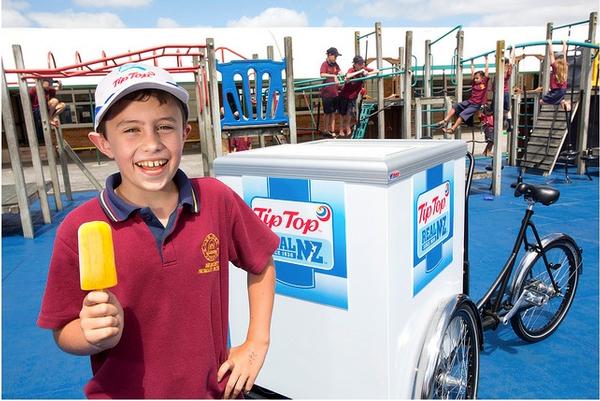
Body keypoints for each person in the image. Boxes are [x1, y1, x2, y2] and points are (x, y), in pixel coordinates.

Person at [36, 63, 279, 399]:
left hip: (212, 392)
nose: (151, 144)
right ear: (103, 142)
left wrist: (256, 341)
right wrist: (90, 334)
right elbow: (63, 330)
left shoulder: (216, 200)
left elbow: (261, 263)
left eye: (165, 126)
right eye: (130, 130)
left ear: (185, 133)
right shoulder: (80, 227)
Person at [436, 56, 490, 136]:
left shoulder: (484, 82)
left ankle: (452, 129)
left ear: (482, 78)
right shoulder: (474, 83)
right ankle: (445, 120)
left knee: (462, 115)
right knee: (455, 106)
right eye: (474, 78)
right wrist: (472, 62)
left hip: (475, 105)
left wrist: (486, 59)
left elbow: (486, 70)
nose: (475, 80)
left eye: (477, 78)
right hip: (469, 101)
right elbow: (472, 72)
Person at [338, 55, 379, 137]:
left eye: (362, 64)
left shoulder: (363, 68)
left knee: (349, 112)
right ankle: (341, 129)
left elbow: (377, 70)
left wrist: (367, 73)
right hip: (344, 95)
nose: (361, 66)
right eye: (359, 64)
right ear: (355, 64)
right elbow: (348, 76)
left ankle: (347, 127)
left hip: (353, 96)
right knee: (342, 113)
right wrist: (360, 72)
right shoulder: (352, 70)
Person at [532, 40, 570, 111]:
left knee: (541, 102)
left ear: (557, 59)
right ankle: (562, 102)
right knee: (554, 100)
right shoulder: (565, 66)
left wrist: (550, 44)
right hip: (562, 90)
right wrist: (565, 44)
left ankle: (560, 102)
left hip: (556, 91)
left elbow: (551, 54)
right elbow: (564, 53)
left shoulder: (555, 65)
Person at [319, 47, 342, 137]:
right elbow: (322, 74)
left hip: (334, 92)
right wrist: (333, 76)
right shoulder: (324, 64)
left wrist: (341, 75)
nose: (336, 58)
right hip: (326, 93)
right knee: (327, 112)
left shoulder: (335, 64)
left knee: (333, 112)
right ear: (329, 55)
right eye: (335, 56)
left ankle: (332, 130)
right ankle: (325, 129)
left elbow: (340, 72)